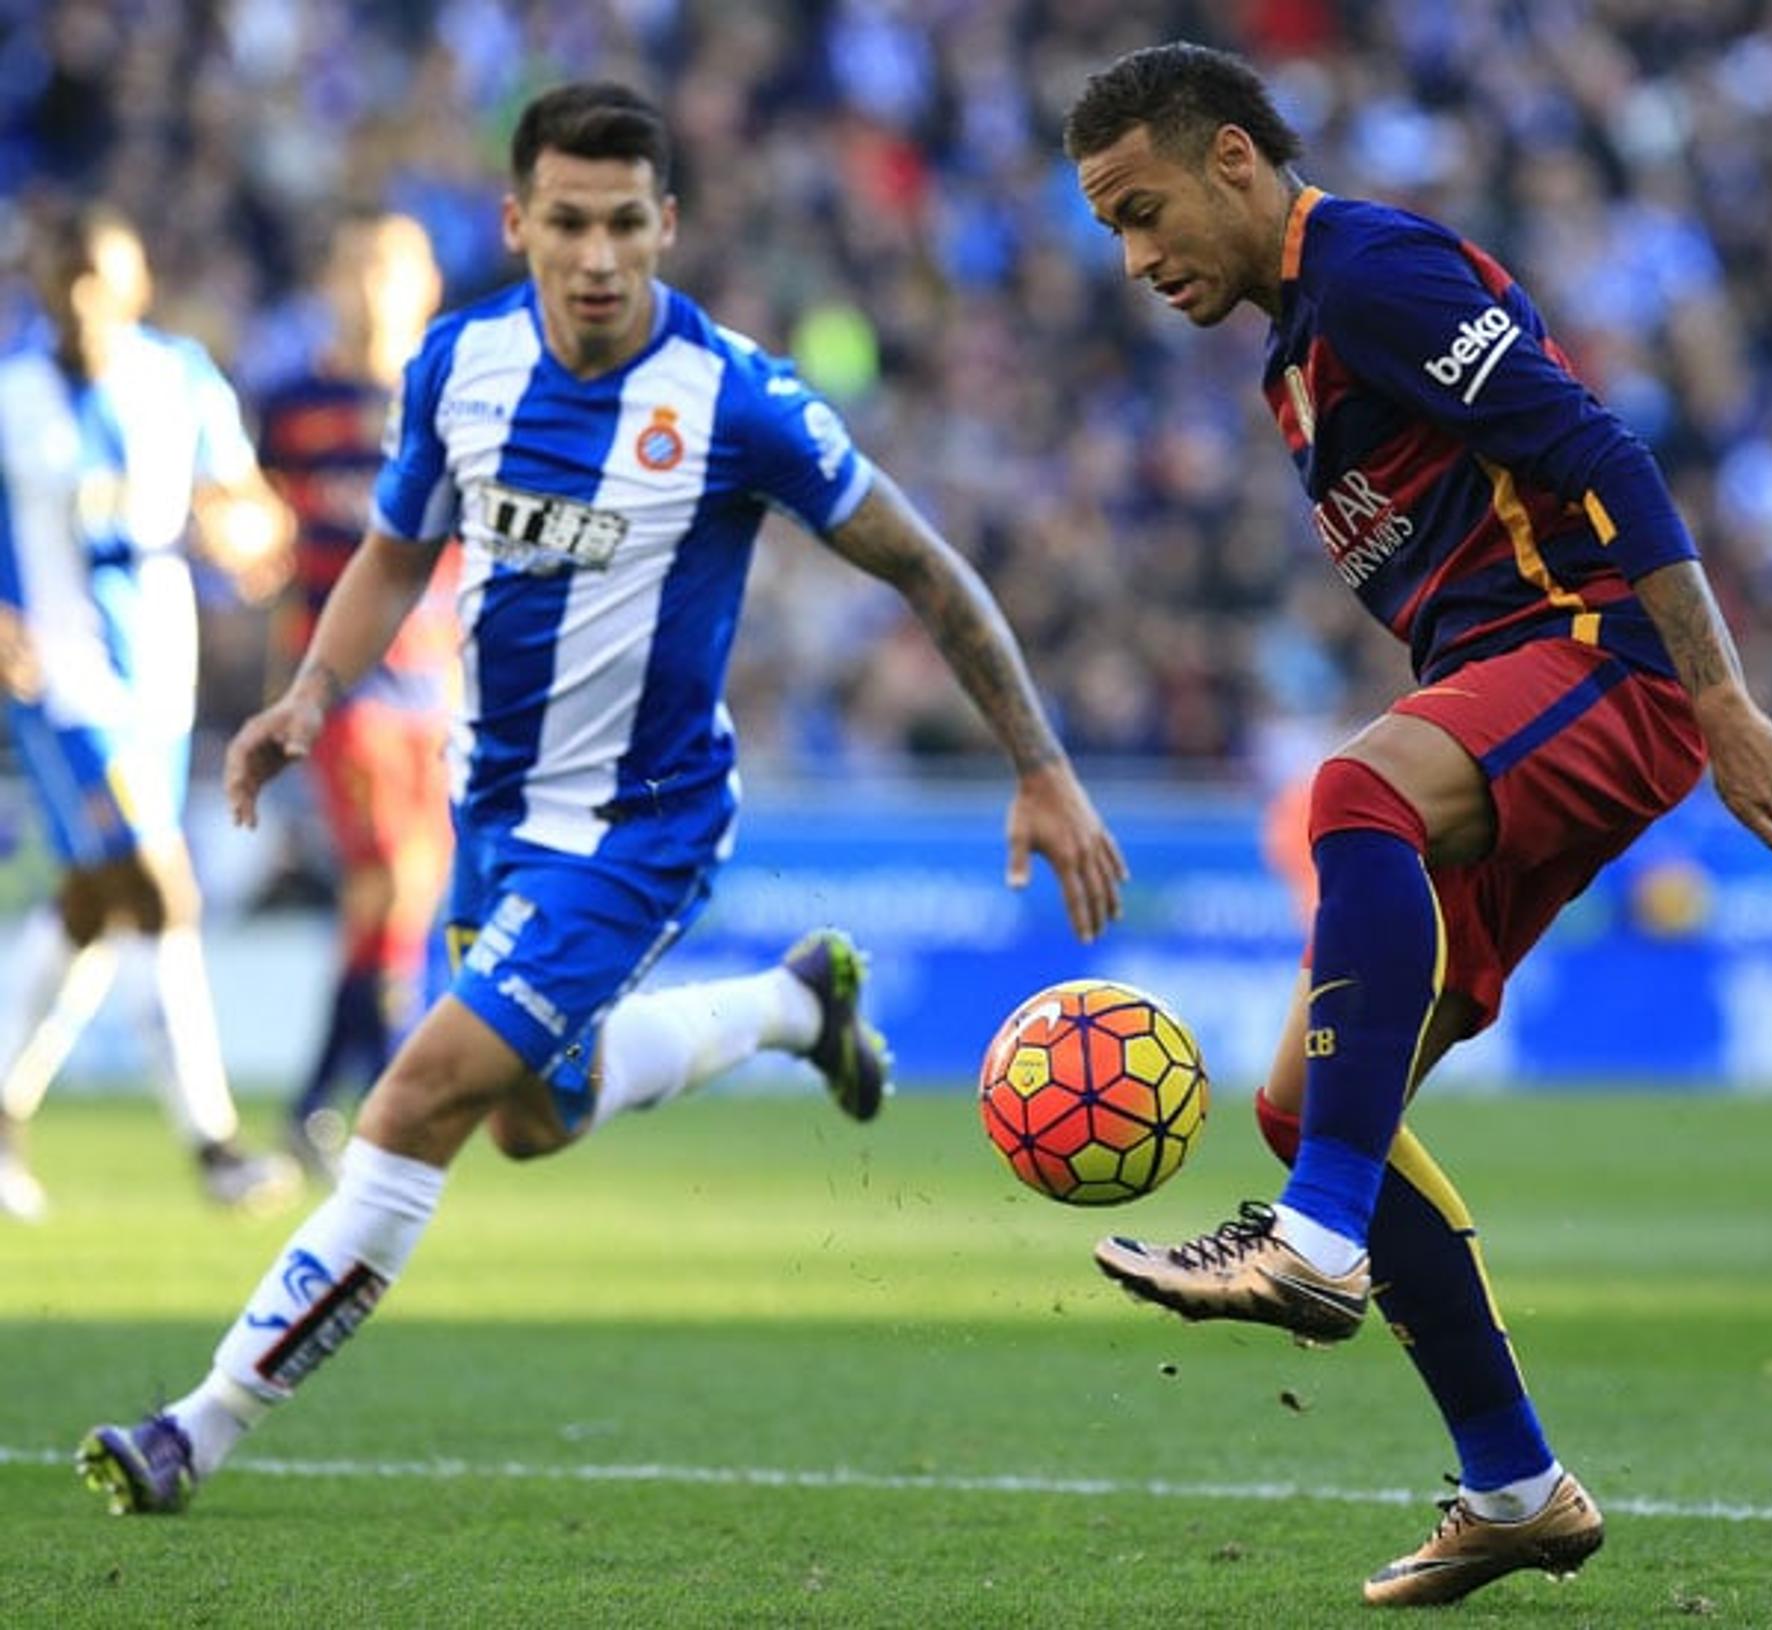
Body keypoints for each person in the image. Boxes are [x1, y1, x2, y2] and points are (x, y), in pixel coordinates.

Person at [77, 80, 1126, 1515]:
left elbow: (925, 566)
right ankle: (791, 1005)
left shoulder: (738, 399)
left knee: (421, 1096)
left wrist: (1043, 763)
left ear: (667, 225)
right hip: (495, 814)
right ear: (516, 223)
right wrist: (312, 693)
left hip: (644, 829)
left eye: (626, 223)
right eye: (566, 222)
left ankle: (197, 1424)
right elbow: (394, 549)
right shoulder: (457, 364)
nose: (596, 255)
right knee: (531, 1120)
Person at [1062, 44, 1772, 1609]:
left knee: (1352, 793)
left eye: (1145, 213)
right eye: (1111, 234)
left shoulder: (1377, 270)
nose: (1135, 262)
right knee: (1306, 1097)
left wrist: (1720, 694)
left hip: (1610, 664)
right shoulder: (1292, 363)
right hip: (1523, 690)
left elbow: (1596, 448)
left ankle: (1317, 1242)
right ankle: (1518, 1483)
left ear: (1238, 163)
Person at [0, 202, 302, 1222]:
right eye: (61, 279)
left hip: (158, 690)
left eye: (97, 280)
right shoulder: (11, 394)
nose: (79, 301)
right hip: (58, 687)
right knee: (161, 889)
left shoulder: (180, 378)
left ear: (135, 285)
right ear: (37, 285)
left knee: (93, 904)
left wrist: (246, 535)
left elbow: (251, 509)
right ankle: (213, 1144)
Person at [255, 211, 460, 1177]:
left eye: (393, 271)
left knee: (391, 901)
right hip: (339, 683)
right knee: (395, 874)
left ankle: (312, 1106)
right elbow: (254, 533)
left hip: (437, 687)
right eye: (358, 268)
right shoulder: (292, 406)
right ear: (332, 283)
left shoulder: (456, 403)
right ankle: (390, 1111)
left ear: (424, 288)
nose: (374, 288)